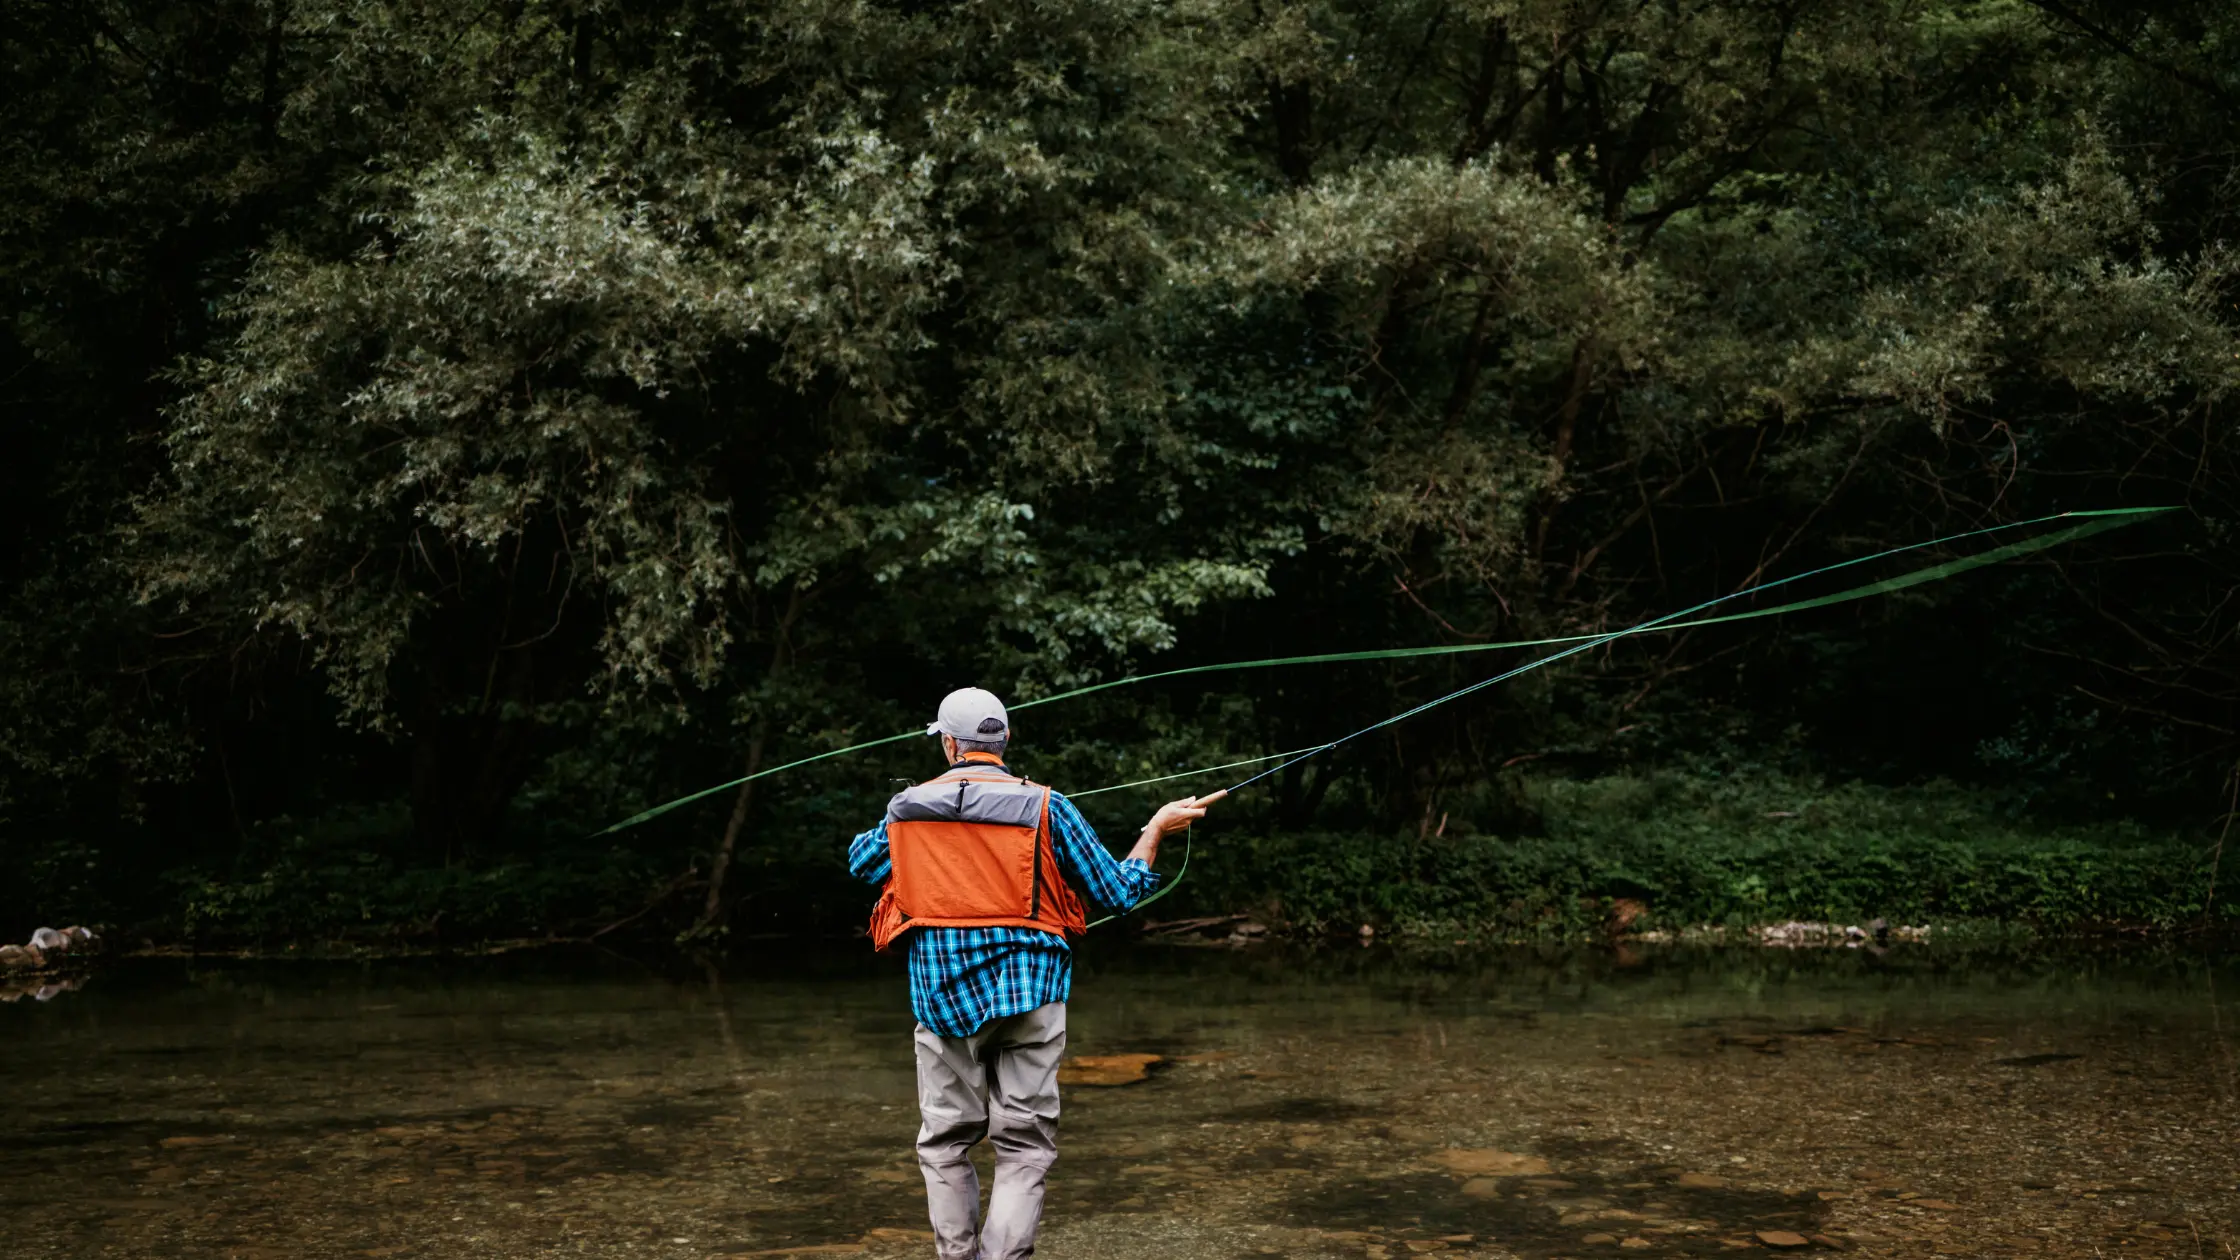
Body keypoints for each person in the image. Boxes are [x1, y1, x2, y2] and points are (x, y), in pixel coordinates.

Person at [848, 686, 1221, 1260]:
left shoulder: (906, 809)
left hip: (941, 1001)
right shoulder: (1048, 806)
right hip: (1032, 996)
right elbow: (1117, 892)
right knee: (1023, 1146)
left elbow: (861, 862)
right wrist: (1155, 829)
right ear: (1005, 740)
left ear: (948, 744)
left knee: (946, 1142)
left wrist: (914, 810)